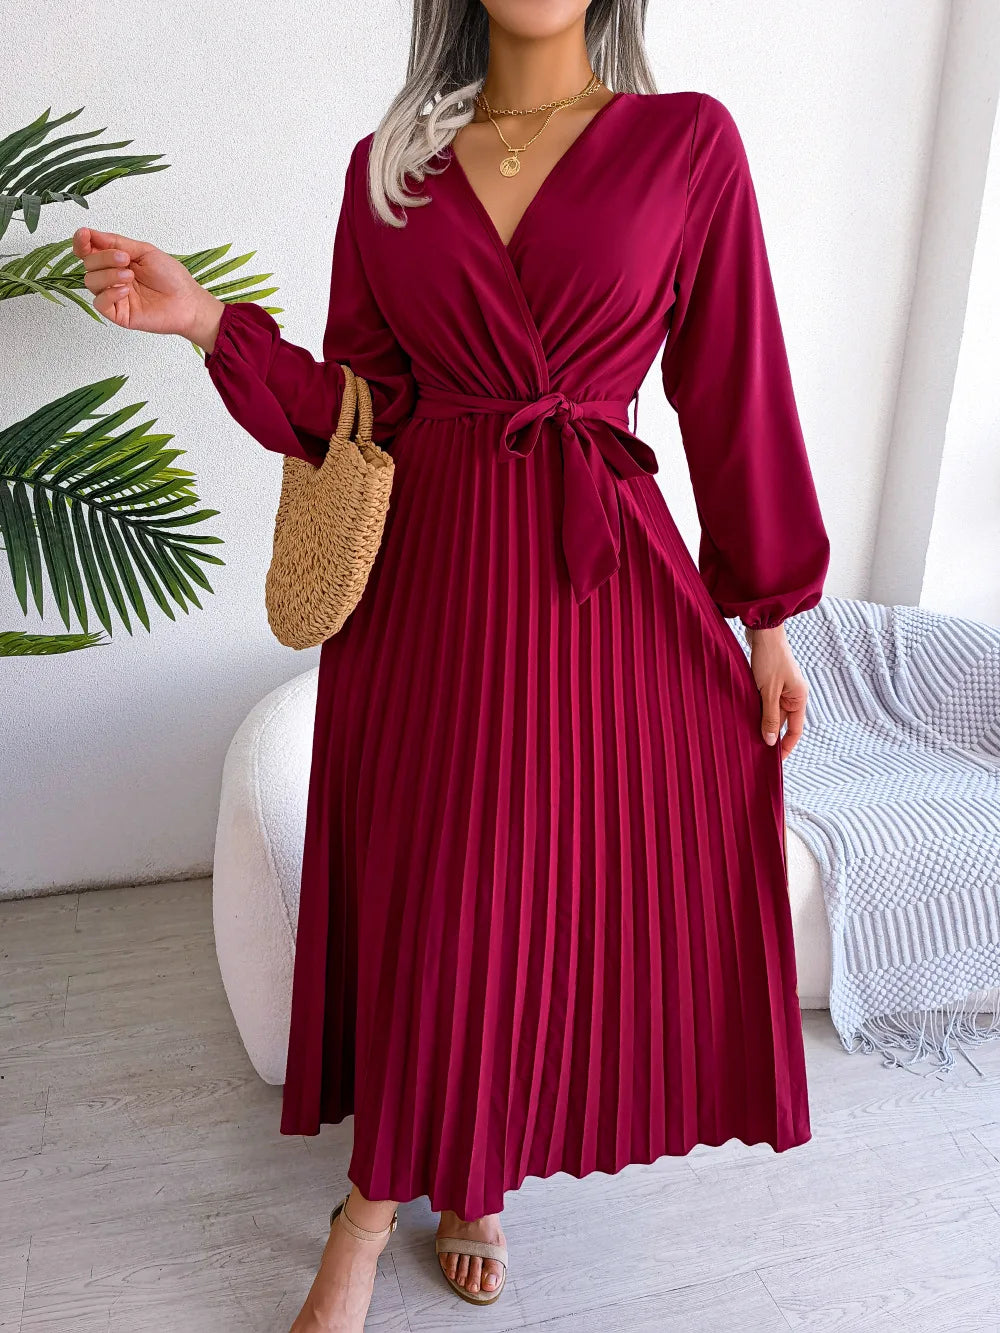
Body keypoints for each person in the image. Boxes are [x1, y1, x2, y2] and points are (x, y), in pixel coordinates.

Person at [73, 1, 831, 1328]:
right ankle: (406, 1196)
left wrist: (767, 616)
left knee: (532, 895)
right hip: (425, 592)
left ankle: (418, 1191)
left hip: (591, 583)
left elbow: (735, 381)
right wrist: (209, 325)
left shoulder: (686, 145)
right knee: (446, 895)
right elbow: (358, 410)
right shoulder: (393, 172)